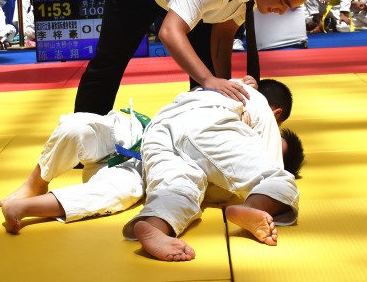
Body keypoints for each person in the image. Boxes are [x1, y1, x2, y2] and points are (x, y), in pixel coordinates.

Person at [0, 77, 300, 234]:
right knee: (79, 128)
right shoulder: (247, 99)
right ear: (277, 115)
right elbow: (268, 171)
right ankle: (36, 181)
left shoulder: (232, 95)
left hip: (146, 165)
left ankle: (24, 207)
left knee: (114, 196)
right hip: (136, 133)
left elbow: (202, 180)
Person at [73, 0, 321, 115]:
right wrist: (210, 80)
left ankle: (207, 129)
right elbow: (170, 33)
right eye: (284, 3)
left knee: (206, 69)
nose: (280, 12)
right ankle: (81, 137)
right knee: (110, 60)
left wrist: (227, 93)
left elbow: (223, 37)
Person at [121, 80, 302, 261]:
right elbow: (269, 167)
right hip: (205, 126)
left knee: (176, 187)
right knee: (277, 178)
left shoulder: (222, 87)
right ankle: (252, 207)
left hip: (158, 129)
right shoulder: (260, 105)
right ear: (276, 113)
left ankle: (155, 226)